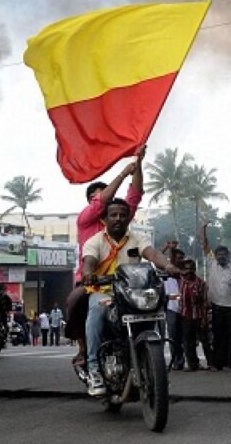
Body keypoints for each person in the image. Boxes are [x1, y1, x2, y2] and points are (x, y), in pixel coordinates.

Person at [82, 197, 181, 396]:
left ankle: (154, 368)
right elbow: (89, 261)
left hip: (133, 295)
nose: (118, 218)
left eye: (122, 215)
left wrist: (167, 265)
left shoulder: (138, 238)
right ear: (105, 219)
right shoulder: (94, 242)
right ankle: (94, 369)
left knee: (155, 309)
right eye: (113, 215)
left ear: (128, 219)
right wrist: (88, 273)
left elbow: (152, 254)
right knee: (96, 309)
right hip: (104, 292)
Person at [67, 146, 146, 368]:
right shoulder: (85, 220)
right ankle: (84, 350)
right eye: (97, 198)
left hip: (126, 283)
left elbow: (135, 194)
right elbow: (104, 199)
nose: (104, 201)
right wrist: (122, 173)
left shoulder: (120, 218)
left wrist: (138, 163)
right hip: (93, 283)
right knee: (75, 302)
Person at [199, 222, 231, 371]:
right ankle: (219, 362)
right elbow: (205, 246)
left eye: (224, 254)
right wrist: (203, 230)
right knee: (218, 336)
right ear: (216, 256)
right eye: (219, 254)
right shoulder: (212, 264)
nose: (221, 256)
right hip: (216, 306)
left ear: (228, 256)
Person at [179, 259, 211, 371]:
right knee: (189, 342)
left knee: (205, 341)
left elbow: (204, 302)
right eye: (187, 269)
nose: (189, 271)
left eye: (192, 268)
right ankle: (193, 365)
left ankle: (211, 364)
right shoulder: (181, 281)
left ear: (195, 269)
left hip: (199, 316)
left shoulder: (201, 283)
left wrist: (204, 318)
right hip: (186, 316)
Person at [163, 244, 186, 370]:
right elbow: (155, 262)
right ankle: (176, 362)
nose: (181, 260)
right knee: (173, 336)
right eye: (179, 258)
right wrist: (167, 248)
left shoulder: (185, 273)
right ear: (172, 259)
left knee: (183, 336)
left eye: (182, 258)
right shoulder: (166, 271)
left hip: (184, 309)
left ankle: (182, 361)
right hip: (171, 308)